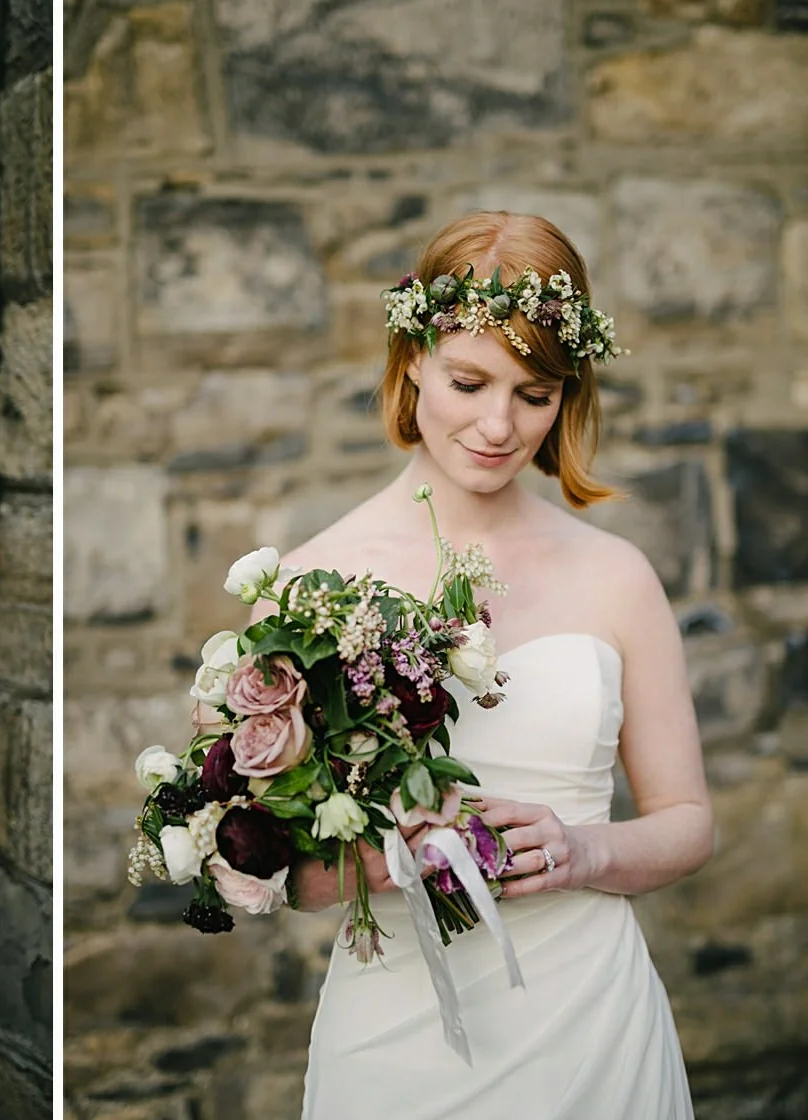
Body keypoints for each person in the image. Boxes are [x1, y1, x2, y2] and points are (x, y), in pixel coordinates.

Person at [273, 212, 711, 1118]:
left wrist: (583, 849)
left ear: (567, 396)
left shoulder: (617, 575)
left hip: (592, 1020)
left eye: (535, 393)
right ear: (411, 365)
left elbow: (687, 821)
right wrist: (385, 853)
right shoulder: (310, 586)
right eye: (469, 382)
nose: (499, 425)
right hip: (397, 1035)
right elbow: (293, 881)